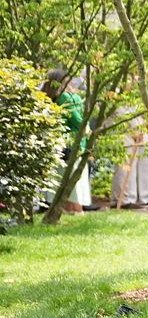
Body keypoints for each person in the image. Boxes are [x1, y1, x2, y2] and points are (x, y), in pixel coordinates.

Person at [44, 70, 94, 213]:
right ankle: (76, 209)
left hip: (69, 142)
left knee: (69, 175)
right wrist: (86, 127)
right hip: (71, 142)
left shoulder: (61, 96)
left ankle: (72, 208)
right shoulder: (63, 97)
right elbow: (78, 119)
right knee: (73, 177)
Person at [112, 112, 148, 208]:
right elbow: (119, 112)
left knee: (145, 162)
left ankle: (144, 196)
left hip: (141, 125)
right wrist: (133, 130)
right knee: (126, 165)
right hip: (124, 128)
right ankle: (125, 199)